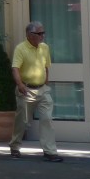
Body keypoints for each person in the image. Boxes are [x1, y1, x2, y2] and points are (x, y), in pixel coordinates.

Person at [10, 21, 63, 161]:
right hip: (26, 90)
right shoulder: (20, 49)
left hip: (42, 90)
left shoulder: (44, 47)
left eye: (43, 33)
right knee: (22, 121)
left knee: (47, 119)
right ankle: (15, 146)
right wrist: (20, 84)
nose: (42, 36)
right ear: (30, 35)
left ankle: (50, 151)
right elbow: (15, 68)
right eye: (40, 33)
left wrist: (46, 81)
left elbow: (46, 66)